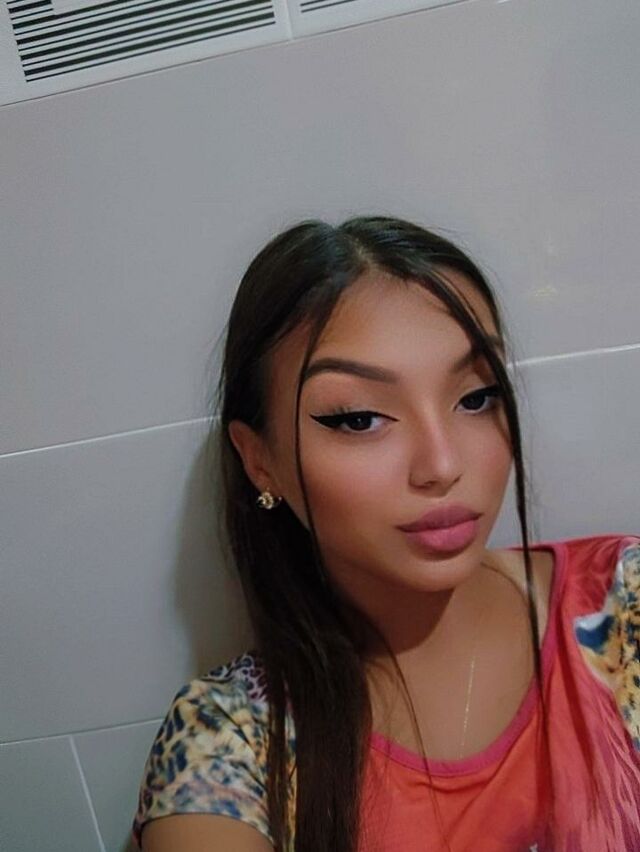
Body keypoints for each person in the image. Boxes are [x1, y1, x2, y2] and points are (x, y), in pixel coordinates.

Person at [131, 216, 640, 852]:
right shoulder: (227, 738)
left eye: (476, 397)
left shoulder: (625, 607)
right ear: (259, 459)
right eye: (359, 418)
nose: (442, 464)